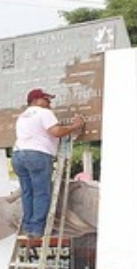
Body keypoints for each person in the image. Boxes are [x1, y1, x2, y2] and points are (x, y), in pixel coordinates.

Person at [12, 88, 84, 237]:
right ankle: (37, 228)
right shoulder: (44, 113)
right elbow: (56, 132)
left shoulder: (22, 116)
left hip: (18, 154)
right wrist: (75, 127)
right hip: (38, 154)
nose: (49, 102)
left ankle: (27, 226)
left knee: (27, 192)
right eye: (46, 99)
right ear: (35, 100)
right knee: (41, 193)